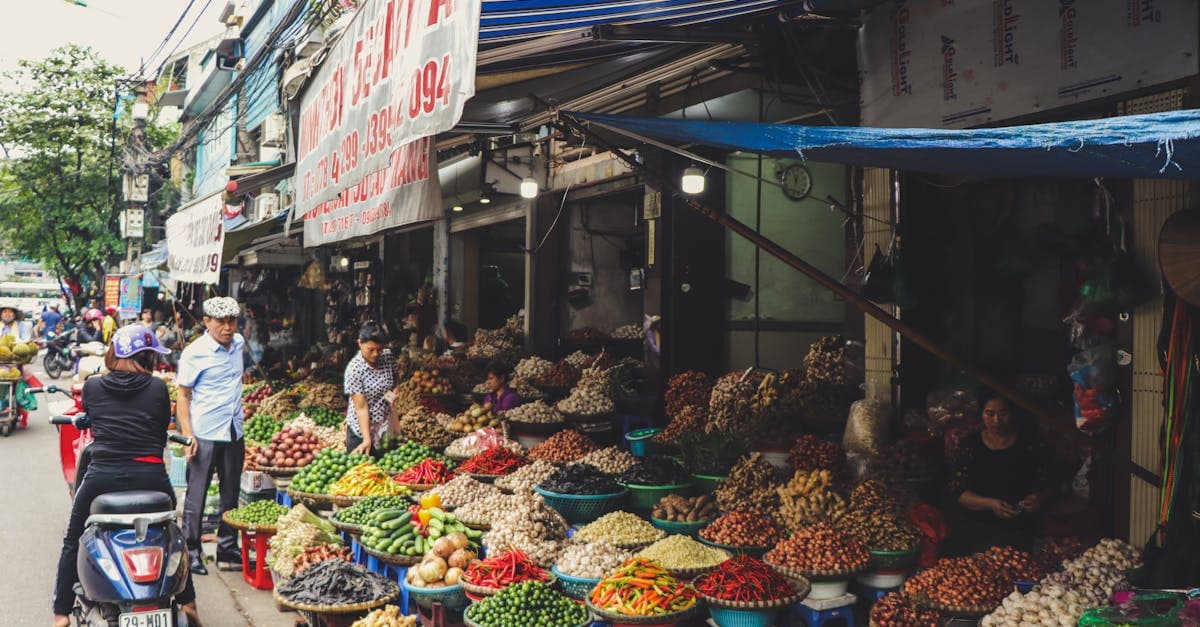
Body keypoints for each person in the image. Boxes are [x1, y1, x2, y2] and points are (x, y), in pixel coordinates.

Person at [50, 325, 201, 627]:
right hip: (151, 477)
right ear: (145, 357)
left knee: (72, 539)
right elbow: (159, 433)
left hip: (101, 478)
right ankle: (189, 604)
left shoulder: (92, 387)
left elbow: (93, 418)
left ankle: (61, 613)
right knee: (175, 534)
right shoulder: (158, 388)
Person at [177, 297, 245, 575]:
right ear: (207, 322)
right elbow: (183, 396)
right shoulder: (195, 353)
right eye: (221, 322)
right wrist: (188, 435)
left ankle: (228, 547)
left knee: (231, 494)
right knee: (197, 496)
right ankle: (191, 551)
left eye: (232, 321)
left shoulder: (239, 344)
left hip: (233, 430)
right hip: (204, 432)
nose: (228, 328)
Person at [944, 394, 1052, 556]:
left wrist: (1037, 498)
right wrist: (992, 504)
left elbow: (1047, 484)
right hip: (973, 527)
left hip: (1016, 528)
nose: (996, 420)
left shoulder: (1031, 445)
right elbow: (957, 491)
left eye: (1003, 413)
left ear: (1013, 414)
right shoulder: (970, 445)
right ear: (981, 415)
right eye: (989, 414)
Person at [344, 322, 402, 456]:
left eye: (379, 349)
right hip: (361, 431)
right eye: (371, 349)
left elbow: (395, 377)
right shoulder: (354, 370)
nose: (376, 353)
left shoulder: (387, 356)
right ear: (360, 343)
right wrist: (366, 439)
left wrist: (394, 391)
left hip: (384, 429)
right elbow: (361, 408)